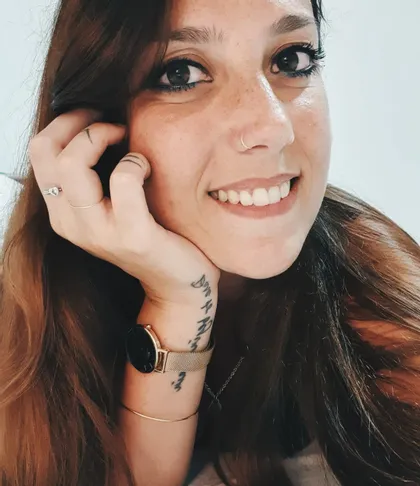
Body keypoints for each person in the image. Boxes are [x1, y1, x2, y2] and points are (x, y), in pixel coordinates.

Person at [0, 0, 419, 485]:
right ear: (89, 128)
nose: (272, 127)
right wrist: (179, 303)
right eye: (181, 73)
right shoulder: (30, 328)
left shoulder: (378, 298)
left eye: (292, 59)